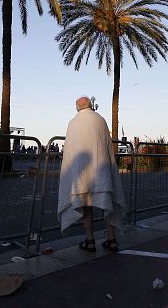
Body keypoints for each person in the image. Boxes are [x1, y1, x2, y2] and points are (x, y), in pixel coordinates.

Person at [57, 96, 126, 253]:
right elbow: (106, 145)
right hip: (102, 172)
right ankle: (111, 239)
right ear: (91, 106)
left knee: (86, 207)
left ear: (77, 108)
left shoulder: (73, 123)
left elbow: (69, 152)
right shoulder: (100, 120)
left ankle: (90, 240)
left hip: (80, 175)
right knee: (106, 204)